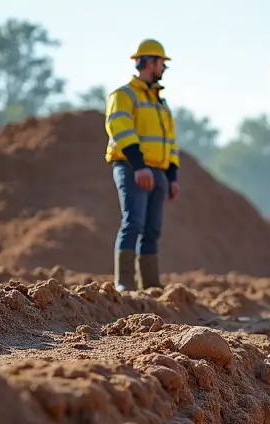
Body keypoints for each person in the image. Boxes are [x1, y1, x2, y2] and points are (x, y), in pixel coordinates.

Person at [104, 39, 181, 291]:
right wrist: (138, 166)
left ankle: (151, 286)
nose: (164, 68)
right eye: (161, 62)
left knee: (152, 230)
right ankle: (124, 284)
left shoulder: (162, 104)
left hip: (158, 172)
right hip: (132, 167)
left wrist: (172, 177)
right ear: (148, 62)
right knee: (133, 222)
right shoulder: (123, 96)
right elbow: (121, 130)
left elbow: (170, 142)